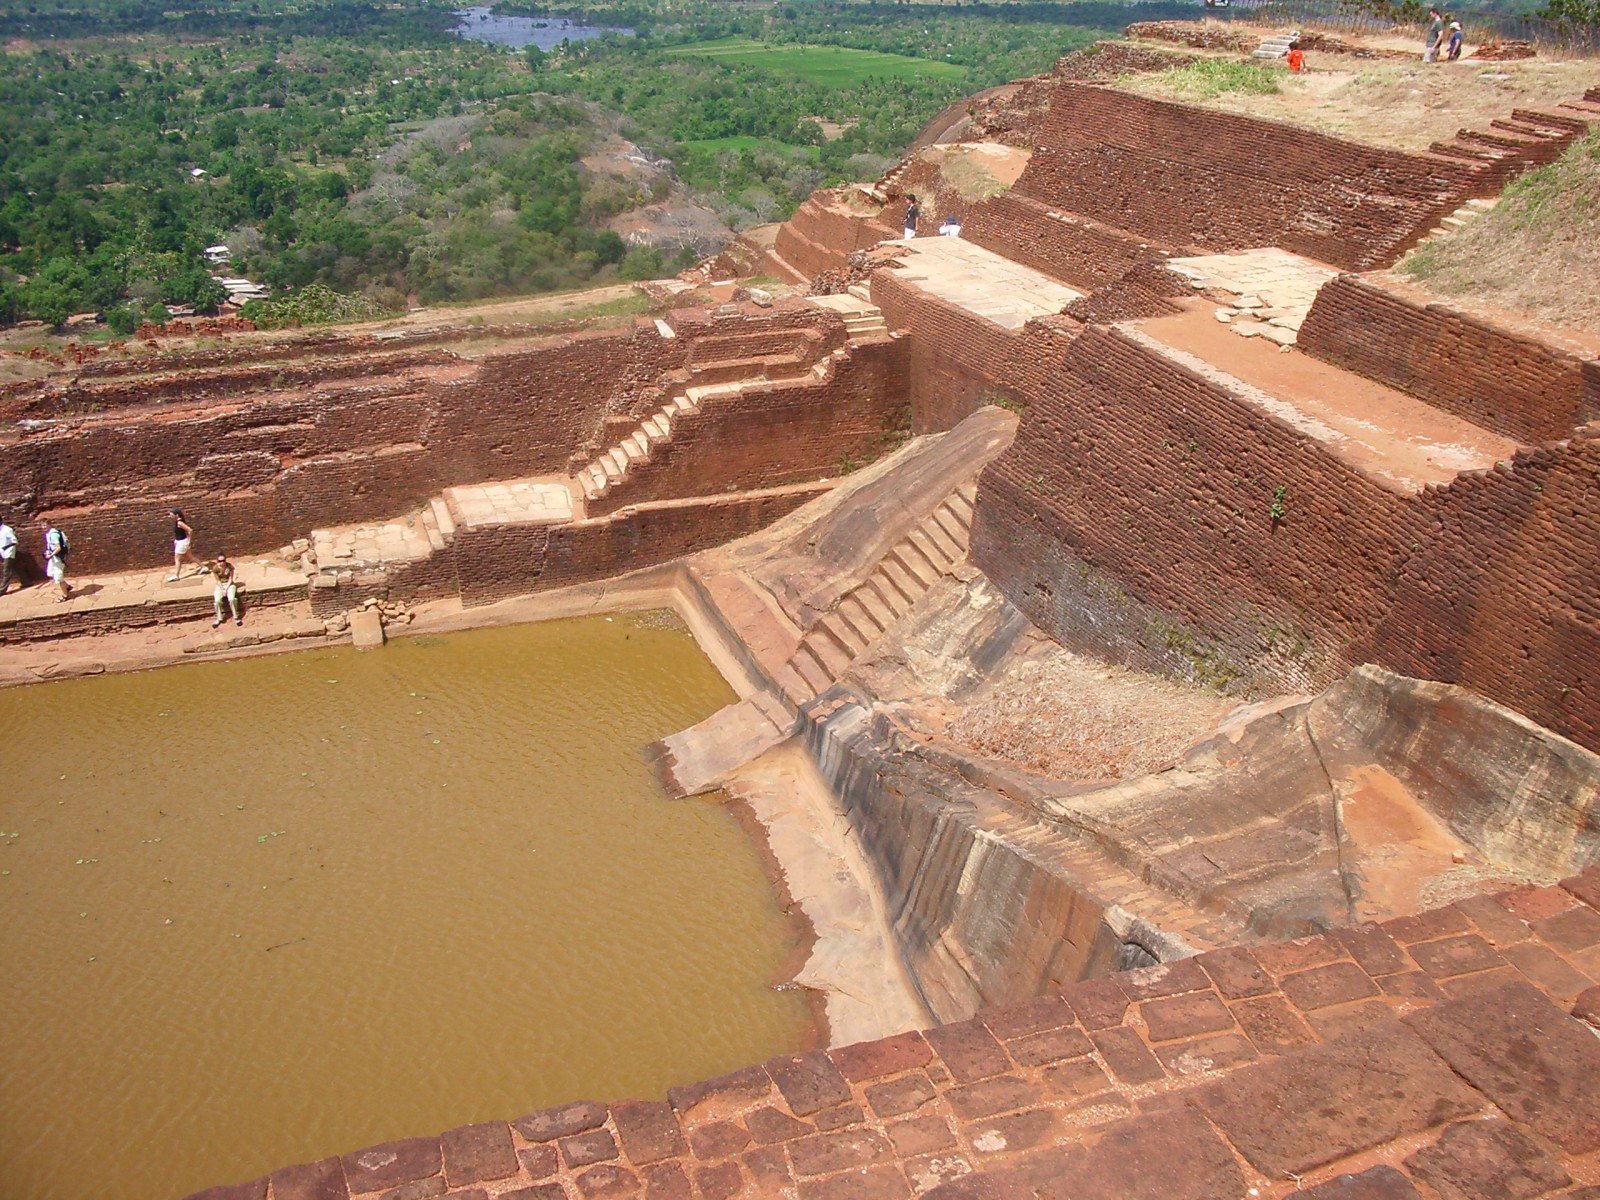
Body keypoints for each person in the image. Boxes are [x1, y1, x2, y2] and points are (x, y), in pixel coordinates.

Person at [202, 553, 242, 628]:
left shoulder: (229, 566)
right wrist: (222, 589)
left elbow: (231, 578)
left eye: (223, 561)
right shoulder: (215, 568)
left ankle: (236, 617)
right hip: (220, 585)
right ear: (217, 561)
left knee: (232, 599)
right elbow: (217, 581)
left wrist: (226, 588)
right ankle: (219, 618)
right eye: (220, 561)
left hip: (229, 584)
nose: (222, 563)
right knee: (217, 601)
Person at [166, 508, 201, 581]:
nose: (170, 516)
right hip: (180, 542)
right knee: (190, 557)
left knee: (177, 559)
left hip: (182, 543)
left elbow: (190, 530)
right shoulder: (177, 522)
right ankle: (203, 567)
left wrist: (189, 541)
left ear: (177, 515)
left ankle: (176, 575)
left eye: (171, 515)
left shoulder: (179, 523)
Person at [42, 520, 71, 601]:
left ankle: (65, 595)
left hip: (58, 558)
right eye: (42, 525)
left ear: (50, 525)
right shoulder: (48, 534)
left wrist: (51, 555)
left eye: (45, 525)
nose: (43, 527)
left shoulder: (53, 534)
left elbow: (58, 548)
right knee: (50, 573)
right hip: (54, 558)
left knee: (58, 577)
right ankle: (67, 587)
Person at [0, 517, 16, 596]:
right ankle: (26, 581)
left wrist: (5, 547)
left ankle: (2, 590)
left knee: (6, 571)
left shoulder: (7, 529)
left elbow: (15, 541)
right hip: (3, 553)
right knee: (17, 567)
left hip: (9, 552)